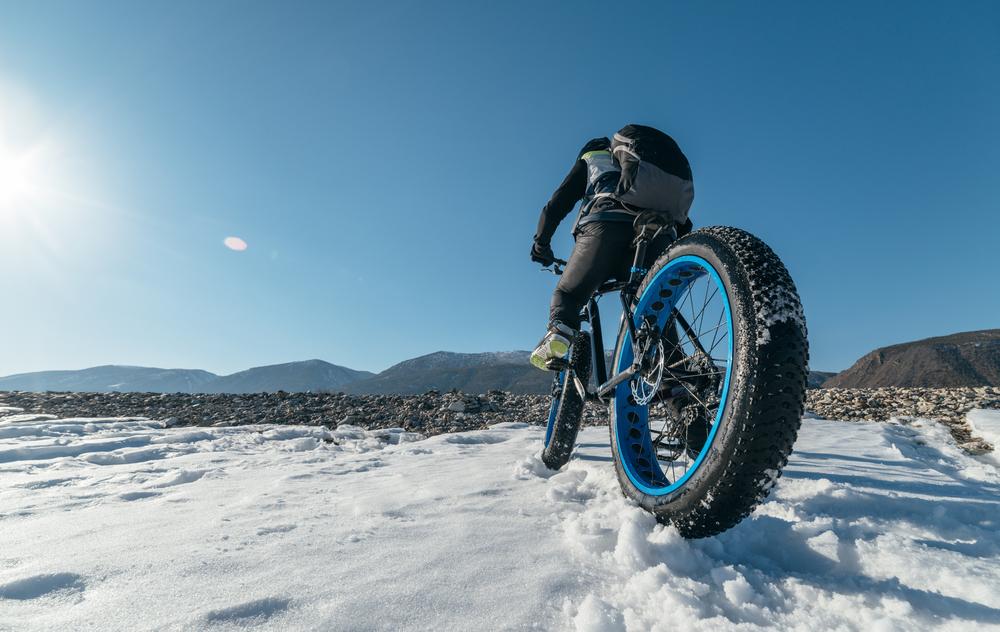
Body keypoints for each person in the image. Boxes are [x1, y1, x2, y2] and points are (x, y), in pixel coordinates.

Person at [529, 124, 694, 370]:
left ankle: (559, 333)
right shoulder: (648, 170)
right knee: (655, 314)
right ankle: (680, 390)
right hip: (657, 233)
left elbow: (555, 206)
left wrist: (541, 245)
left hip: (605, 227)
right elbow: (684, 224)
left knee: (569, 294)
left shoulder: (592, 158)